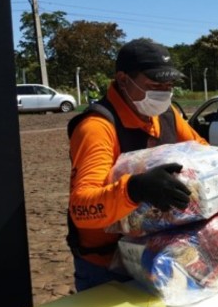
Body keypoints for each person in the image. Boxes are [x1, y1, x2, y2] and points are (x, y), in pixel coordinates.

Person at [67, 39, 208, 292]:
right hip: (108, 267)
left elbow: (203, 154)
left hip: (164, 253)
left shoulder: (167, 115)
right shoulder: (97, 128)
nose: (164, 92)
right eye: (154, 85)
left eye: (169, 85)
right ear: (123, 79)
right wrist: (135, 189)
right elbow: (81, 208)